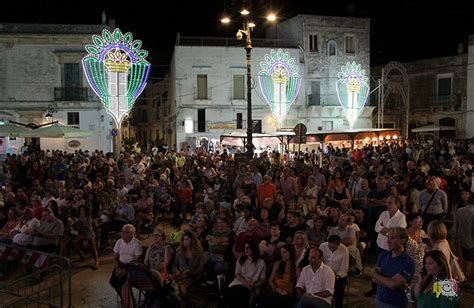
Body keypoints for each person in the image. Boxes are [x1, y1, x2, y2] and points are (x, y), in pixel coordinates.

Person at [370, 227, 415, 308]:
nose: (388, 241)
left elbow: (393, 284)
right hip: (380, 299)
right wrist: (389, 281)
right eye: (388, 237)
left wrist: (374, 273)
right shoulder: (383, 255)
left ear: (402, 241)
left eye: (392, 238)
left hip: (395, 303)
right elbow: (374, 279)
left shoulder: (408, 262)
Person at [225, 240, 266, 308]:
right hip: (240, 282)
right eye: (245, 247)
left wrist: (255, 285)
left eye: (248, 248)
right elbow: (237, 274)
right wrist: (245, 282)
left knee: (240, 295)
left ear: (253, 249)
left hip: (252, 285)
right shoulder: (240, 259)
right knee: (231, 293)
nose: (246, 250)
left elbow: (262, 279)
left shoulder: (261, 262)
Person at [109, 224, 143, 301]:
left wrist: (126, 270)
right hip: (120, 265)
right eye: (122, 231)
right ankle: (124, 297)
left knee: (124, 281)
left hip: (132, 267)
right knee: (113, 282)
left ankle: (129, 299)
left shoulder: (137, 243)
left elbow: (136, 260)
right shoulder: (119, 242)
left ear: (131, 234)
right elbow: (115, 257)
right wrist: (117, 268)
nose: (122, 233)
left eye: (125, 232)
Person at [173, 231, 204, 303]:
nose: (184, 241)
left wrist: (188, 274)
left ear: (192, 241)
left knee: (180, 286)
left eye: (187, 239)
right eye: (183, 239)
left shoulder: (199, 253)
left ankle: (185, 302)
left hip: (192, 275)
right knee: (170, 284)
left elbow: (199, 269)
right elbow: (175, 264)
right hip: (179, 273)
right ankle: (181, 301)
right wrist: (177, 271)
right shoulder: (179, 250)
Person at [319, 235, 349, 308]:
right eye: (330, 247)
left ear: (338, 245)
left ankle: (338, 305)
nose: (331, 249)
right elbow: (319, 261)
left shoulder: (344, 250)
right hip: (323, 272)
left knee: (338, 288)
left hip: (338, 275)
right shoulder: (322, 246)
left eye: (334, 248)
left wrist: (334, 276)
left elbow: (344, 268)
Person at [452, 191, 474, 280]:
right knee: (470, 261)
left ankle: (458, 277)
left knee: (463, 259)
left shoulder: (460, 210)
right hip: (471, 240)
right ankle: (465, 280)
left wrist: (454, 237)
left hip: (461, 238)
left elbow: (455, 225)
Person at [72, 205, 99, 270]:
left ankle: (96, 261)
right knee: (73, 242)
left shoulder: (88, 217)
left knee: (93, 247)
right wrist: (74, 223)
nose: (81, 211)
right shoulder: (79, 217)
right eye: (80, 210)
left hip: (89, 233)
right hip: (83, 233)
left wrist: (82, 220)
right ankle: (81, 255)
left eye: (83, 210)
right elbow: (77, 228)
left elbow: (88, 227)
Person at [405, 213, 427, 289]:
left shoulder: (422, 233)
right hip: (408, 263)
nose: (421, 223)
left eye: (421, 221)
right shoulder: (405, 235)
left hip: (421, 265)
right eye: (418, 221)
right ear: (410, 222)